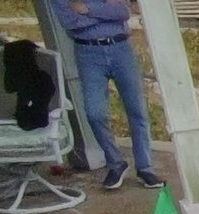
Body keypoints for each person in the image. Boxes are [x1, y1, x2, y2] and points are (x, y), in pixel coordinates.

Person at [57, 0, 161, 191]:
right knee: (94, 112)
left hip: (120, 47)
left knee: (136, 109)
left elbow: (122, 12)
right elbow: (70, 22)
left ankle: (145, 167)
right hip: (87, 52)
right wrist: (105, 11)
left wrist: (87, 9)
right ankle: (116, 163)